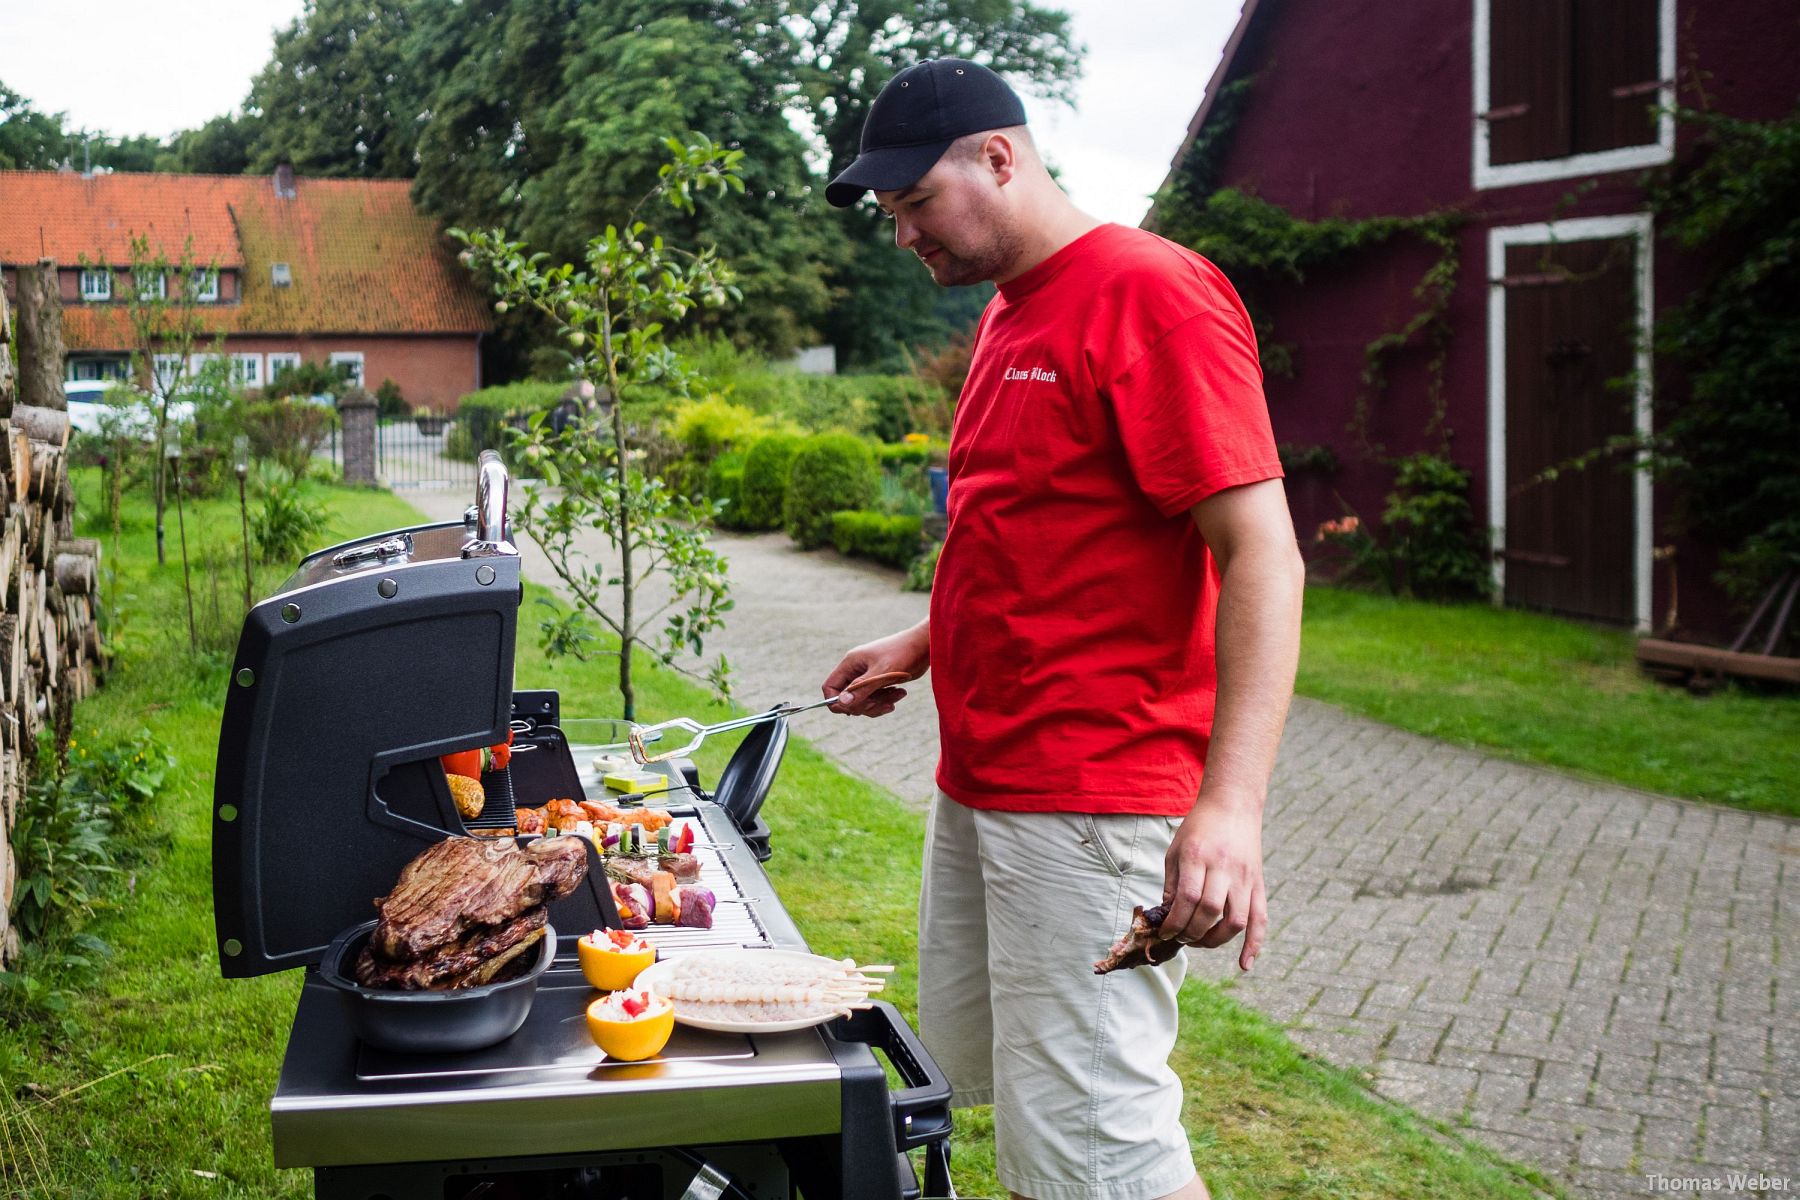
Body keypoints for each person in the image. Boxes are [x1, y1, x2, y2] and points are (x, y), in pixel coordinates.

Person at [819, 59, 1305, 1200]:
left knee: (1099, 1140)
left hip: (1092, 789)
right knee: (1040, 1116)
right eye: (889, 217)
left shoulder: (1153, 293)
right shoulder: (1007, 314)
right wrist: (923, 641)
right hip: (987, 779)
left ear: (1000, 158)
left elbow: (1264, 556)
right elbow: (1028, 527)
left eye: (915, 206)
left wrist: (1229, 808)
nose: (904, 237)